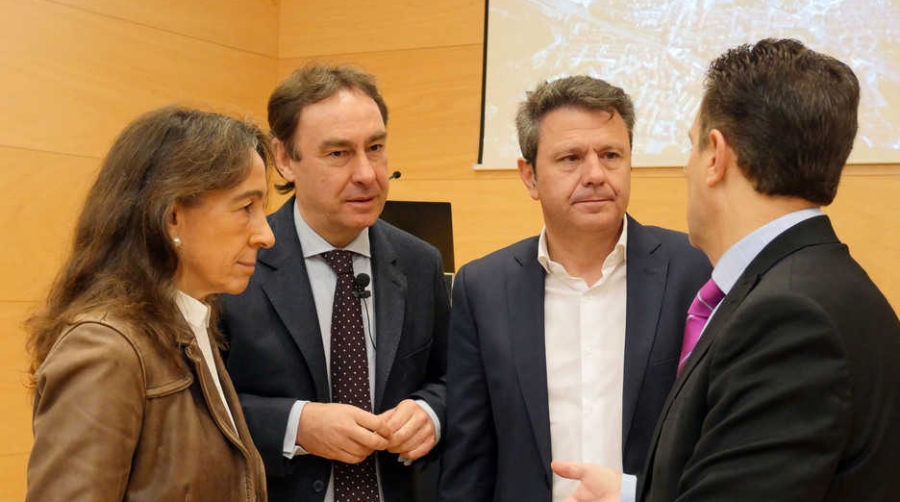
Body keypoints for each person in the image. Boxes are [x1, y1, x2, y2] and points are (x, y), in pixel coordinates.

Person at [553, 38, 900, 502]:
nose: (686, 170)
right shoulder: (818, 282)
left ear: (716, 156)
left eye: (690, 147)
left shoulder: (789, 318)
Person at [437, 75, 711, 502]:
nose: (596, 174)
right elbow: (469, 457)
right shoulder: (483, 288)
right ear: (529, 177)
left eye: (611, 155)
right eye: (571, 158)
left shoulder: (694, 269)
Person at [219, 64, 449, 502]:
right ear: (285, 160)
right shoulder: (234, 265)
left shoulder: (420, 262)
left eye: (376, 148)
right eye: (339, 153)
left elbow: (453, 378)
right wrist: (296, 425)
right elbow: (198, 404)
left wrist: (430, 412)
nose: (367, 173)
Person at [25, 106, 275, 501]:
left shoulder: (194, 323)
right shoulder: (105, 349)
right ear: (172, 215)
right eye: (246, 208)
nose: (266, 235)